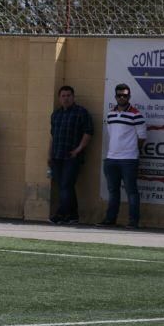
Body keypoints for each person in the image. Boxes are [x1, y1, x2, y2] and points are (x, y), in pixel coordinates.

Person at [97, 84, 146, 229]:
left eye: (125, 95)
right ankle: (110, 219)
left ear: (129, 97)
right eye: (119, 95)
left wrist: (132, 150)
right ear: (115, 97)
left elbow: (142, 137)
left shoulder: (136, 114)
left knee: (131, 191)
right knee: (113, 191)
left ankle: (133, 221)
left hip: (129, 159)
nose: (122, 98)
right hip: (111, 158)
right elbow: (111, 133)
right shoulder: (110, 114)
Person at [48, 85, 93, 224]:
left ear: (73, 97)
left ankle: (61, 214)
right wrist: (49, 155)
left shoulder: (81, 112)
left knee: (66, 185)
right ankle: (73, 216)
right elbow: (52, 136)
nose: (66, 98)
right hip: (57, 156)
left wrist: (78, 149)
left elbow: (88, 132)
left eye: (68, 95)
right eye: (63, 96)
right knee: (64, 186)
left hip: (72, 157)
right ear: (59, 98)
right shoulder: (56, 114)